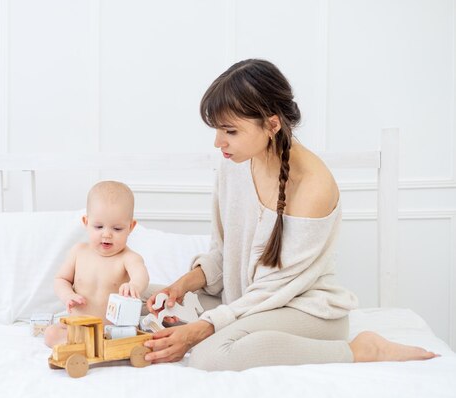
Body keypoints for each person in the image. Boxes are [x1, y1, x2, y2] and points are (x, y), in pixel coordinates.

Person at [143, 58, 438, 370]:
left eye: (229, 130)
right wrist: (184, 284)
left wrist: (202, 329)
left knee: (209, 356)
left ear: (272, 124)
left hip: (303, 312)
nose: (219, 143)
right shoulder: (235, 162)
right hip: (247, 304)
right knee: (136, 298)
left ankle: (361, 349)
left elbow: (273, 290)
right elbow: (224, 253)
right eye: (217, 130)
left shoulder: (313, 187)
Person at [44, 181, 150, 348]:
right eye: (99, 226)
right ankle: (84, 344)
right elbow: (60, 279)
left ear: (131, 227)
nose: (106, 234)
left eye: (117, 229)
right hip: (78, 327)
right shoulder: (78, 252)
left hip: (112, 331)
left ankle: (94, 346)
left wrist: (134, 285)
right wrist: (67, 296)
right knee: (50, 334)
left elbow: (141, 275)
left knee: (131, 340)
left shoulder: (128, 258)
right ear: (86, 222)